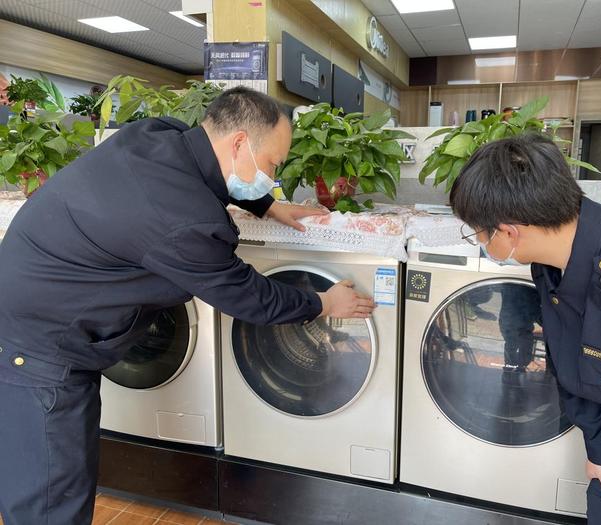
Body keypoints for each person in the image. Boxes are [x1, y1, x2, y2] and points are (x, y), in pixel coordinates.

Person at [0, 87, 375, 524]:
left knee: (40, 477)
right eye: (272, 165)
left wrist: (269, 205)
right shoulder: (187, 221)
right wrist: (323, 302)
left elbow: (212, 172)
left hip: (29, 315)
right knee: (51, 499)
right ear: (238, 143)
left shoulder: (158, 134)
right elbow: (247, 295)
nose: (272, 174)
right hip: (41, 350)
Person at [449, 133, 601, 524]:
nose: (479, 243)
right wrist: (599, 449)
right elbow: (572, 359)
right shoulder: (553, 259)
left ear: (509, 231)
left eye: (477, 234)